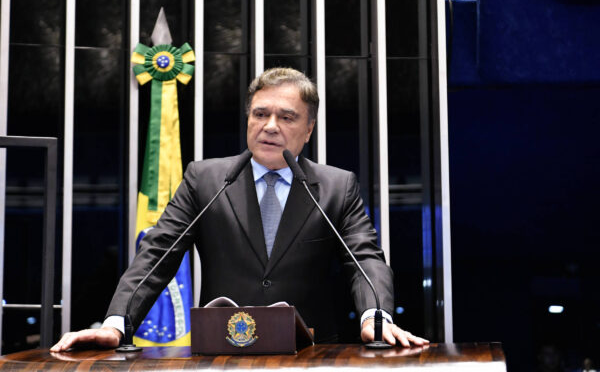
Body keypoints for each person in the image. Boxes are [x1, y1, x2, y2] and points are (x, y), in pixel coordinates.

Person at [51, 67, 428, 352]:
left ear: (309, 129)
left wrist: (376, 316)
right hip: (221, 353)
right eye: (260, 114)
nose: (270, 127)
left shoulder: (336, 186)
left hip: (309, 355)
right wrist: (116, 324)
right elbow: (157, 254)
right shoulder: (206, 179)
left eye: (287, 117)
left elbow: (364, 259)